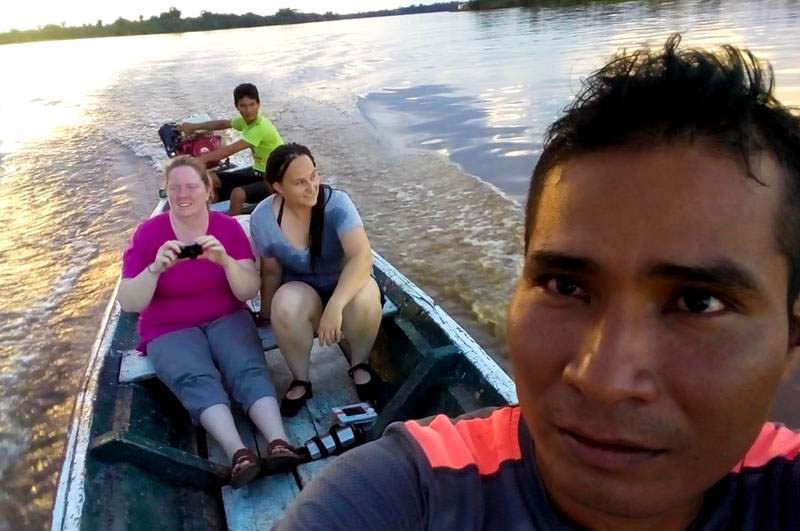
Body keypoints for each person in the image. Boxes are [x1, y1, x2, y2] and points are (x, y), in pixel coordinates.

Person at [274, 35, 800, 529]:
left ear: (791, 340)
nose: (604, 379)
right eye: (566, 286)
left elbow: (360, 259)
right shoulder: (410, 490)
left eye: (698, 301)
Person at [118, 155, 300, 489]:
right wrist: (155, 268)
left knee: (246, 366)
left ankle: (278, 441)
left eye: (191, 186)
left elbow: (247, 288)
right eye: (175, 188)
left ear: (207, 190)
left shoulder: (227, 229)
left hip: (227, 315)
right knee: (195, 377)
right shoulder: (148, 235)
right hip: (168, 327)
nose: (182, 194)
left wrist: (225, 261)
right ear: (166, 192)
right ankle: (239, 453)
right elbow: (130, 301)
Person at [249, 143, 383, 416]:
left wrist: (334, 307)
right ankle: (301, 378)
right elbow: (271, 272)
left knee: (366, 294)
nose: (311, 186)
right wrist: (267, 314)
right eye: (299, 182)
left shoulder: (337, 204)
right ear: (278, 187)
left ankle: (360, 365)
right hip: (303, 293)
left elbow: (361, 257)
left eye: (313, 176)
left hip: (344, 286)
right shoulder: (262, 218)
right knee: (283, 305)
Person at [179, 83, 283, 216]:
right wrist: (194, 127)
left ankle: (230, 230)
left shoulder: (260, 127)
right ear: (236, 106)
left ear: (259, 104)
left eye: (252, 104)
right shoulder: (244, 121)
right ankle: (210, 215)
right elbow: (222, 124)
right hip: (258, 172)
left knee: (237, 195)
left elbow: (230, 150)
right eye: (243, 106)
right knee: (209, 179)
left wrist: (198, 160)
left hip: (274, 179)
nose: (248, 110)